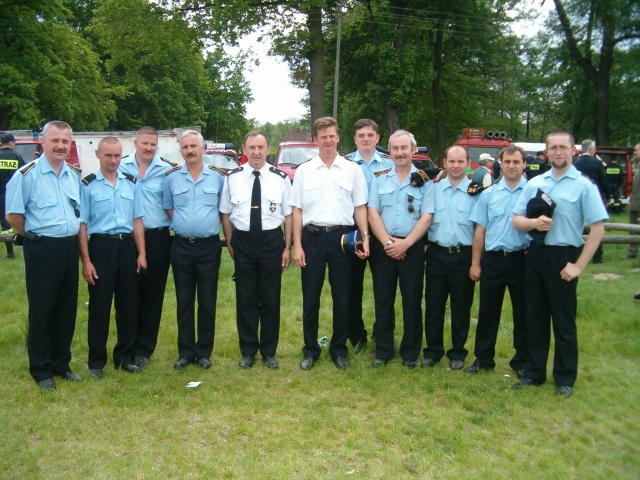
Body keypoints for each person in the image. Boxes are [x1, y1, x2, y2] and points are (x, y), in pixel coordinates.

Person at [511, 131, 608, 398]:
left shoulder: (584, 185)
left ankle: (564, 378)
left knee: (563, 321)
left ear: (572, 150)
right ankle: (534, 373)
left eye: (562, 147)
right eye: (553, 147)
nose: (557, 152)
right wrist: (533, 223)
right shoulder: (535, 183)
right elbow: (516, 220)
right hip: (536, 255)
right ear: (546, 152)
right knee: (535, 318)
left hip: (565, 255)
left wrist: (578, 265)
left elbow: (598, 228)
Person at [5, 121, 82, 391]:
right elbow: (13, 215)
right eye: (55, 141)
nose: (60, 146)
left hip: (69, 248)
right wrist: (35, 236)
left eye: (65, 142)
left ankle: (61, 364)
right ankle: (41, 369)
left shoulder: (73, 175)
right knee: (42, 310)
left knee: (66, 309)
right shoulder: (26, 175)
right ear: (44, 142)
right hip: (42, 248)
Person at [290, 117, 369, 371]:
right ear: (316, 139)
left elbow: (359, 207)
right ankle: (310, 350)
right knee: (311, 297)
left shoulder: (352, 170)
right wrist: (297, 245)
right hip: (312, 238)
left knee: (342, 296)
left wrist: (365, 237)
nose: (328, 140)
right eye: (323, 136)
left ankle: (339, 349)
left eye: (332, 136)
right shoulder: (304, 171)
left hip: (342, 239)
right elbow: (297, 210)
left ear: (338, 137)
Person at [220, 130, 292, 369]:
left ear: (268, 149)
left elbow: (289, 215)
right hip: (243, 241)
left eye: (261, 147)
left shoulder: (280, 178)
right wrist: (230, 241)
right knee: (246, 298)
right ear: (244, 150)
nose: (256, 152)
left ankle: (269, 352)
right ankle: (248, 351)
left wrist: (287, 246)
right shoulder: (232, 177)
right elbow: (226, 212)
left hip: (272, 241)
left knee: (270, 299)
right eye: (252, 148)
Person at [79, 137, 147, 378]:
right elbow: (82, 225)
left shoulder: (131, 183)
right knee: (100, 306)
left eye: (117, 155)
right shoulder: (87, 185)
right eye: (108, 155)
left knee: (128, 306)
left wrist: (141, 253)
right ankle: (96, 362)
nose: (113, 160)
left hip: (126, 247)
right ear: (98, 155)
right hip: (100, 247)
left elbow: (137, 220)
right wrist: (86, 260)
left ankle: (124, 357)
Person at [367, 130, 433, 368]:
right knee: (383, 299)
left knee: (412, 300)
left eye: (404, 147)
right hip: (383, 247)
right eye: (395, 148)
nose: (400, 152)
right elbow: (372, 212)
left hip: (411, 247)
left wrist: (405, 244)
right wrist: (387, 243)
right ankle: (383, 350)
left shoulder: (425, 180)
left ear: (413, 150)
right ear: (390, 151)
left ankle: (410, 352)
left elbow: (427, 216)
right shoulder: (379, 178)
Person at [163, 130, 225, 370]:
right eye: (185, 147)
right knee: (184, 299)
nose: (189, 151)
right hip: (181, 245)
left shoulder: (218, 177)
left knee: (207, 299)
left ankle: (204, 352)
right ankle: (186, 352)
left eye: (193, 146)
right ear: (181, 150)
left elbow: (223, 210)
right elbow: (170, 209)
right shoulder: (171, 178)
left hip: (209, 246)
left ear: (203, 148)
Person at [465, 145, 529, 376]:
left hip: (521, 259)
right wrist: (475, 263)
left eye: (516, 162)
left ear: (524, 164)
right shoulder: (488, 194)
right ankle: (483, 358)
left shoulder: (532, 192)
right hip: (493, 259)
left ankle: (522, 361)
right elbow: (480, 231)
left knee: (523, 312)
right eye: (507, 161)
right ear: (500, 164)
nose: (511, 166)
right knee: (488, 311)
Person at [119, 126, 176, 369]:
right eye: (145, 143)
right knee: (127, 295)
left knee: (152, 296)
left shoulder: (168, 170)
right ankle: (126, 346)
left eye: (153, 144)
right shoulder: (120, 166)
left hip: (157, 238)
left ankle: (143, 349)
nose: (149, 148)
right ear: (135, 143)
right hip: (126, 238)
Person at [423, 145, 477, 371]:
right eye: (451, 161)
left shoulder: (476, 192)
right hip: (436, 254)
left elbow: (480, 229)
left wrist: (476, 262)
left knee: (461, 306)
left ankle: (457, 352)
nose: (456, 166)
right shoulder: (432, 189)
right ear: (444, 163)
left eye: (460, 161)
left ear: (468, 164)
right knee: (433, 305)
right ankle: (433, 351)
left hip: (463, 255)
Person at [344, 119, 394, 353]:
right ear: (355, 139)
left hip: (382, 229)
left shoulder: (389, 164)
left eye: (370, 135)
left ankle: (381, 333)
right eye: (361, 135)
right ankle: (357, 336)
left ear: (377, 138)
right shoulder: (344, 164)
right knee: (352, 286)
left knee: (383, 288)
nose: (366, 139)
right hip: (352, 230)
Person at [573, 139, 610, 264]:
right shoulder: (597, 163)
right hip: (594, 199)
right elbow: (603, 181)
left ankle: (579, 253)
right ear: (591, 149)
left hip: (577, 199)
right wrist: (608, 196)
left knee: (580, 227)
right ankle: (597, 256)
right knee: (596, 226)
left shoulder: (575, 164)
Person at [0, 133, 25, 259]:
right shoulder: (17, 156)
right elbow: (25, 174)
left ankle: (10, 252)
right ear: (10, 143)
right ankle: (11, 252)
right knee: (11, 221)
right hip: (14, 195)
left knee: (4, 222)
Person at [622, 142, 640, 259]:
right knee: (632, 228)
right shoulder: (638, 166)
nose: (634, 153)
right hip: (635, 202)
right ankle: (632, 251)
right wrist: (630, 200)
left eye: (636, 150)